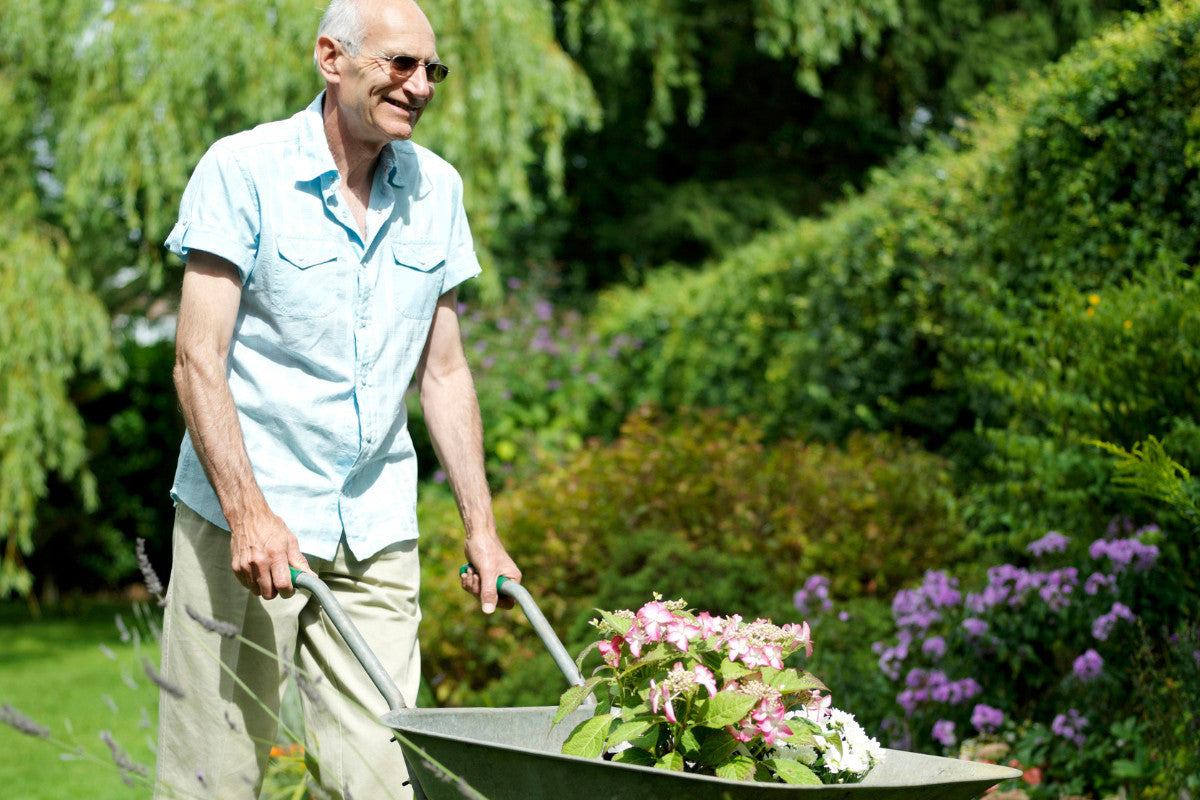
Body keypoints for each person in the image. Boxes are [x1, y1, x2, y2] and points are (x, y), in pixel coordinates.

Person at [154, 0, 521, 797]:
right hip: (243, 526)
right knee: (213, 776)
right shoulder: (243, 169)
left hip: (376, 526)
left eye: (432, 70)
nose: (420, 85)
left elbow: (446, 372)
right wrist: (248, 513)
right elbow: (197, 358)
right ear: (331, 60)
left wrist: (482, 530)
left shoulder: (438, 189)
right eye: (400, 64)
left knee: (379, 778)